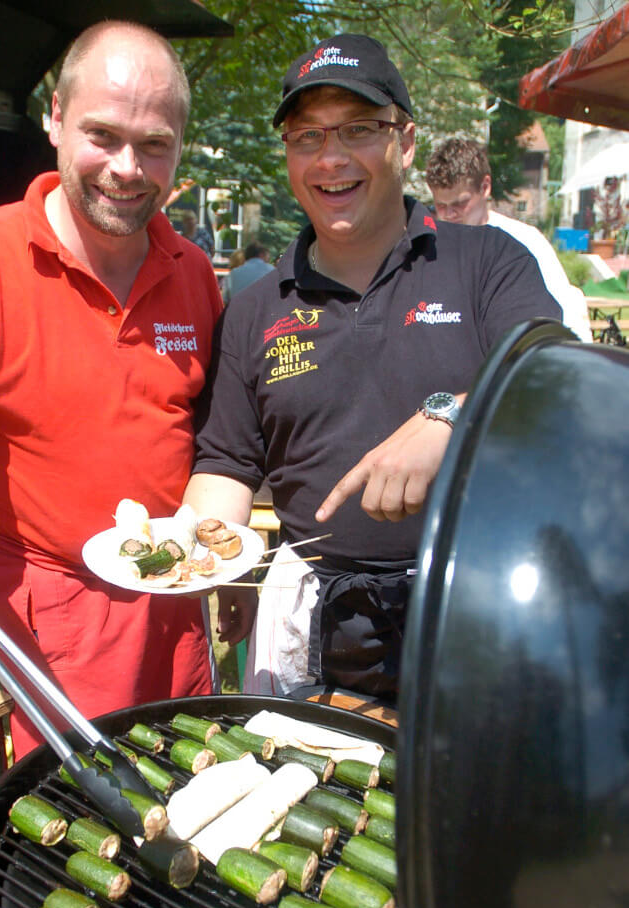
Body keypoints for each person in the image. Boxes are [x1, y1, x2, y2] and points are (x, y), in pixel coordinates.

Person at [183, 33, 562, 704]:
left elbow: (548, 365)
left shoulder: (485, 262)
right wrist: (208, 561)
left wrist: (449, 417)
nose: (331, 158)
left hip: (477, 605)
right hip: (318, 623)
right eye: (307, 137)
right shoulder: (251, 309)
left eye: (359, 129)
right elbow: (225, 464)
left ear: (404, 140)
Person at [0, 21, 223, 757]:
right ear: (56, 119)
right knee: (76, 846)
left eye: (155, 144)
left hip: (178, 614)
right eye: (103, 134)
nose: (128, 168)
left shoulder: (193, 271)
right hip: (52, 635)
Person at [426, 137, 593, 343]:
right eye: (440, 206)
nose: (449, 214)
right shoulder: (429, 246)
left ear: (485, 187)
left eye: (460, 203)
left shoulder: (525, 242)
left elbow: (570, 318)